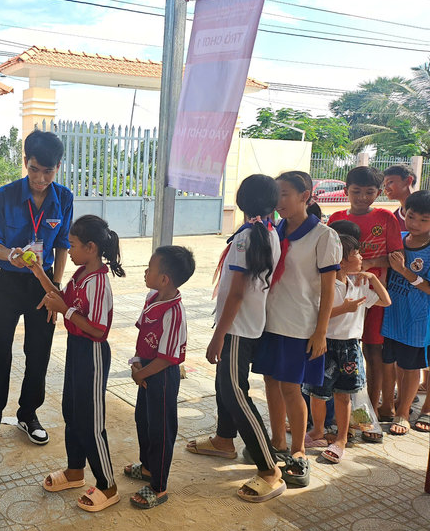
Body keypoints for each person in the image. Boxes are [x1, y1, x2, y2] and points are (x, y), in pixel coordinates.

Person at [185, 175, 285, 502]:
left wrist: (218, 336)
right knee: (224, 385)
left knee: (235, 393)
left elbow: (238, 292)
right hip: (243, 325)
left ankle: (269, 469)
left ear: (242, 201)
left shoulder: (248, 237)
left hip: (238, 329)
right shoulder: (266, 231)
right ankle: (223, 440)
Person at [0, 131, 73, 453]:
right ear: (25, 162)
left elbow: (62, 245)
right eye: (34, 170)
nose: (40, 179)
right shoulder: (5, 195)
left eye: (48, 171)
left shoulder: (64, 198)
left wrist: (55, 289)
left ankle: (28, 415)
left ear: (58, 167)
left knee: (39, 351)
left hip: (42, 285)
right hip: (7, 282)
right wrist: (11, 255)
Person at [29, 215, 125, 512]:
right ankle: (75, 471)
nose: (68, 250)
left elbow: (98, 330)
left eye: (72, 245)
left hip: (92, 353)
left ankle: (108, 486)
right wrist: (38, 271)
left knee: (91, 422)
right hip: (76, 348)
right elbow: (61, 298)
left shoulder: (99, 283)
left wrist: (65, 311)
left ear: (91, 247)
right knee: (71, 410)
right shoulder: (81, 273)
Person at [252, 171, 341, 488]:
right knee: (270, 382)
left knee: (291, 388)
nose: (279, 201)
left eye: (285, 194)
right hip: (270, 321)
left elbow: (328, 290)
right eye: (276, 194)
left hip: (299, 324)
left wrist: (320, 332)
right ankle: (277, 441)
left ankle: (298, 450)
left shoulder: (323, 236)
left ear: (305, 196)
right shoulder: (273, 230)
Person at [303, 234, 390, 463]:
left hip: (350, 347)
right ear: (341, 261)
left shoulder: (359, 285)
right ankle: (317, 431)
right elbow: (317, 315)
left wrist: (373, 277)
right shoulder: (326, 285)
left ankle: (341, 439)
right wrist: (345, 308)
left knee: (343, 395)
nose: (362, 258)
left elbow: (385, 301)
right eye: (356, 254)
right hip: (325, 343)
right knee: (317, 394)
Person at [327, 166, 402, 426]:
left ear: (378, 193)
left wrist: (368, 267)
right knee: (337, 351)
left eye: (369, 192)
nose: (362, 197)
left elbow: (396, 258)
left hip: (372, 296)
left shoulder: (385, 218)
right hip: (340, 295)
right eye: (356, 191)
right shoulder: (336, 218)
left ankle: (371, 408)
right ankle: (334, 412)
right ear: (346, 191)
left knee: (372, 350)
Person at [125, 246, 195, 509]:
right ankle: (147, 467)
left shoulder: (174, 312)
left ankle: (158, 486)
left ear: (164, 278)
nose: (145, 271)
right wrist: (136, 362)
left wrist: (141, 373)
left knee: (161, 429)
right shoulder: (151, 298)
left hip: (162, 376)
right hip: (145, 371)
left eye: (150, 268)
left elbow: (167, 358)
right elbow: (143, 334)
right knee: (143, 419)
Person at [381, 190, 430, 434]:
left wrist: (405, 272)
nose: (415, 224)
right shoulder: (397, 239)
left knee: (411, 367)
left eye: (424, 220)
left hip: (417, 320)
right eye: (411, 217)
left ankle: (402, 413)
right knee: (396, 364)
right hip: (392, 316)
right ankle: (399, 405)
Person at [382, 163, 416, 231]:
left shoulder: (426, 208)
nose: (386, 188)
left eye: (390, 182)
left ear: (408, 181)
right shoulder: (394, 218)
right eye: (384, 185)